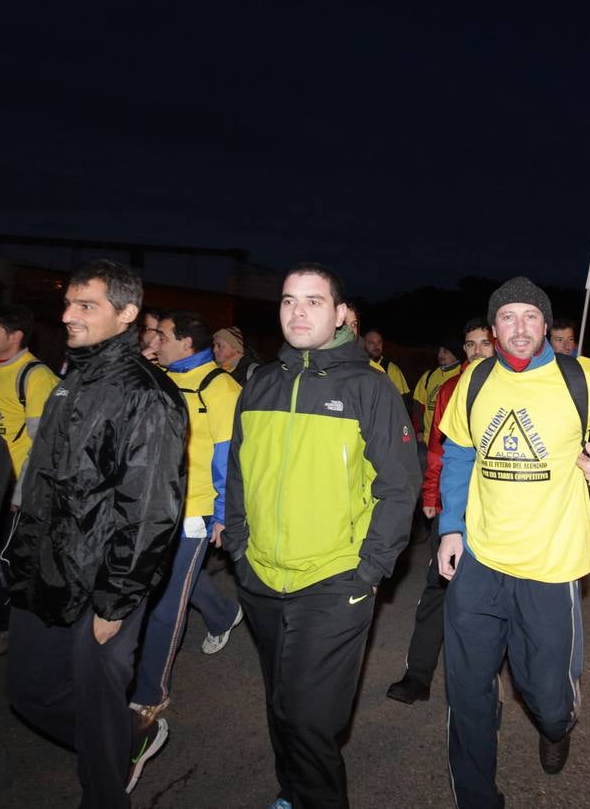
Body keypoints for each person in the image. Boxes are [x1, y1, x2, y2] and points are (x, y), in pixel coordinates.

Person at [437, 277, 590, 806]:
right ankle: (476, 796)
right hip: (481, 563)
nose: (519, 327)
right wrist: (450, 526)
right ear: (492, 328)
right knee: (466, 692)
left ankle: (557, 728)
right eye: (507, 317)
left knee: (548, 700)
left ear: (546, 325)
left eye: (530, 317)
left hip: (550, 569)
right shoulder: (476, 379)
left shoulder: (579, 378)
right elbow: (460, 453)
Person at [224, 263, 420, 809]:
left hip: (335, 581)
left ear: (340, 314)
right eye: (288, 301)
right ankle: (294, 792)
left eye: (313, 301)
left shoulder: (370, 388)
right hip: (261, 575)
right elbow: (239, 474)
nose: (298, 312)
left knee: (310, 718)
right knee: (282, 703)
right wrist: (240, 548)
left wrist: (369, 571)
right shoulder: (259, 383)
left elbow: (399, 487)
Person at [5, 260, 187, 808]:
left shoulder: (147, 395)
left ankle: (107, 785)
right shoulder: (73, 378)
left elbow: (152, 509)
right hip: (47, 569)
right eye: (68, 303)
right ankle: (125, 736)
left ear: (127, 314)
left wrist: (116, 602)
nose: (67, 315)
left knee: (96, 702)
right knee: (29, 691)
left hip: (102, 585)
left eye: (86, 306)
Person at [126, 309, 245, 790]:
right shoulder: (164, 378)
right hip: (156, 507)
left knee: (166, 602)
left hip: (194, 512)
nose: (156, 340)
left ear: (186, 341)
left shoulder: (221, 389)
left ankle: (148, 696)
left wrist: (221, 514)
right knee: (180, 583)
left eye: (163, 335)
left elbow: (227, 457)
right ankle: (223, 614)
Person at [387, 319, 495, 705]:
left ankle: (484, 690)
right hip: (455, 509)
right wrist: (431, 494)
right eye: (470, 345)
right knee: (437, 588)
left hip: (497, 514)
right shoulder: (451, 389)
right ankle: (418, 676)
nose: (477, 351)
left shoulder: (514, 388)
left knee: (488, 603)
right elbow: (437, 448)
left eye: (485, 343)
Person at [0, 303, 60, 661]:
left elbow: (44, 445)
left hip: (14, 491)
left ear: (15, 335)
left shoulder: (35, 377)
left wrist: (22, 493)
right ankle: (1, 623)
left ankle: (8, 630)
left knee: (0, 563)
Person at [411, 340, 463, 445]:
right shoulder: (429, 376)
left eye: (445, 351)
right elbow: (418, 405)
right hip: (428, 441)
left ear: (455, 354)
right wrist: (419, 430)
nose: (440, 354)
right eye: (439, 351)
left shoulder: (463, 375)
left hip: (453, 443)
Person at [363, 328, 411, 400]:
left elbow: (402, 401)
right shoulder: (356, 366)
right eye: (371, 343)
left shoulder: (392, 370)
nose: (376, 346)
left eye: (379, 342)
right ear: (363, 345)